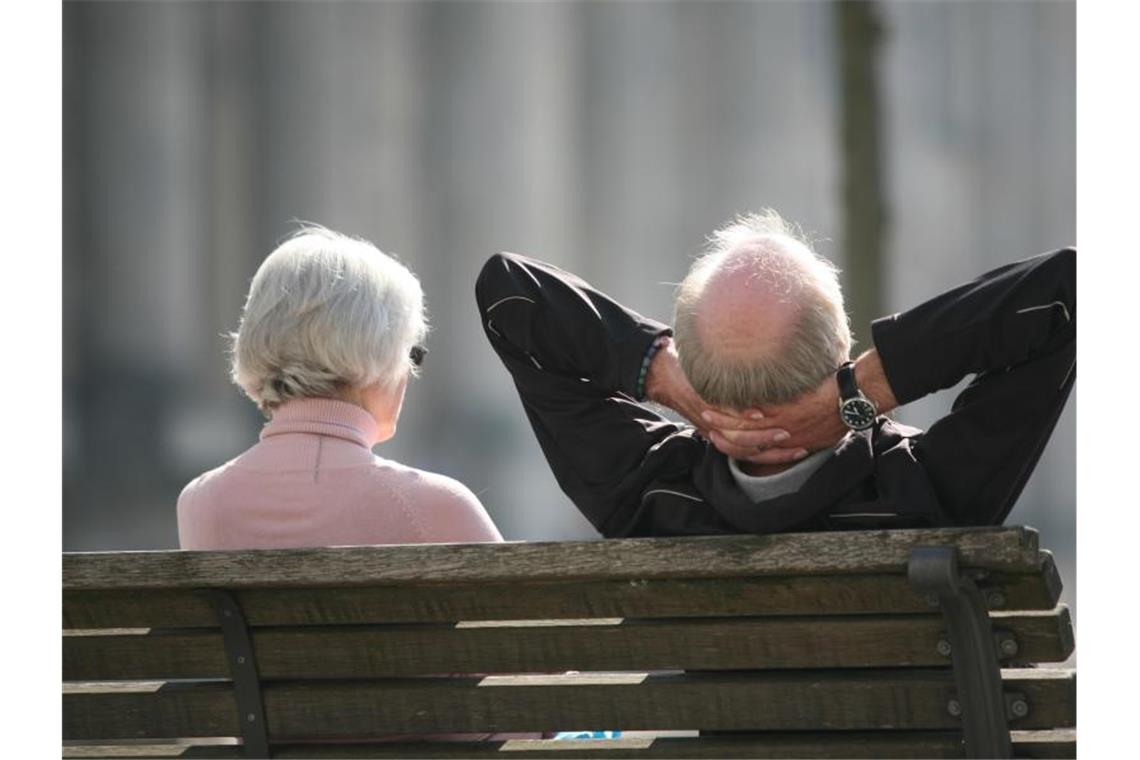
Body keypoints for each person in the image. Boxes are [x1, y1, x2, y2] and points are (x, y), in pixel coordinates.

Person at [475, 210, 1075, 537]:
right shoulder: (928, 490)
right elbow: (1068, 291)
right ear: (843, 344)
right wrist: (861, 396)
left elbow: (511, 298)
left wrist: (667, 383)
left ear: (698, 368)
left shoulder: (646, 494)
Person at [178, 225, 503, 550]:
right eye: (411, 354)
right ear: (379, 351)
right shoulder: (437, 505)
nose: (409, 373)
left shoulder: (201, 502)